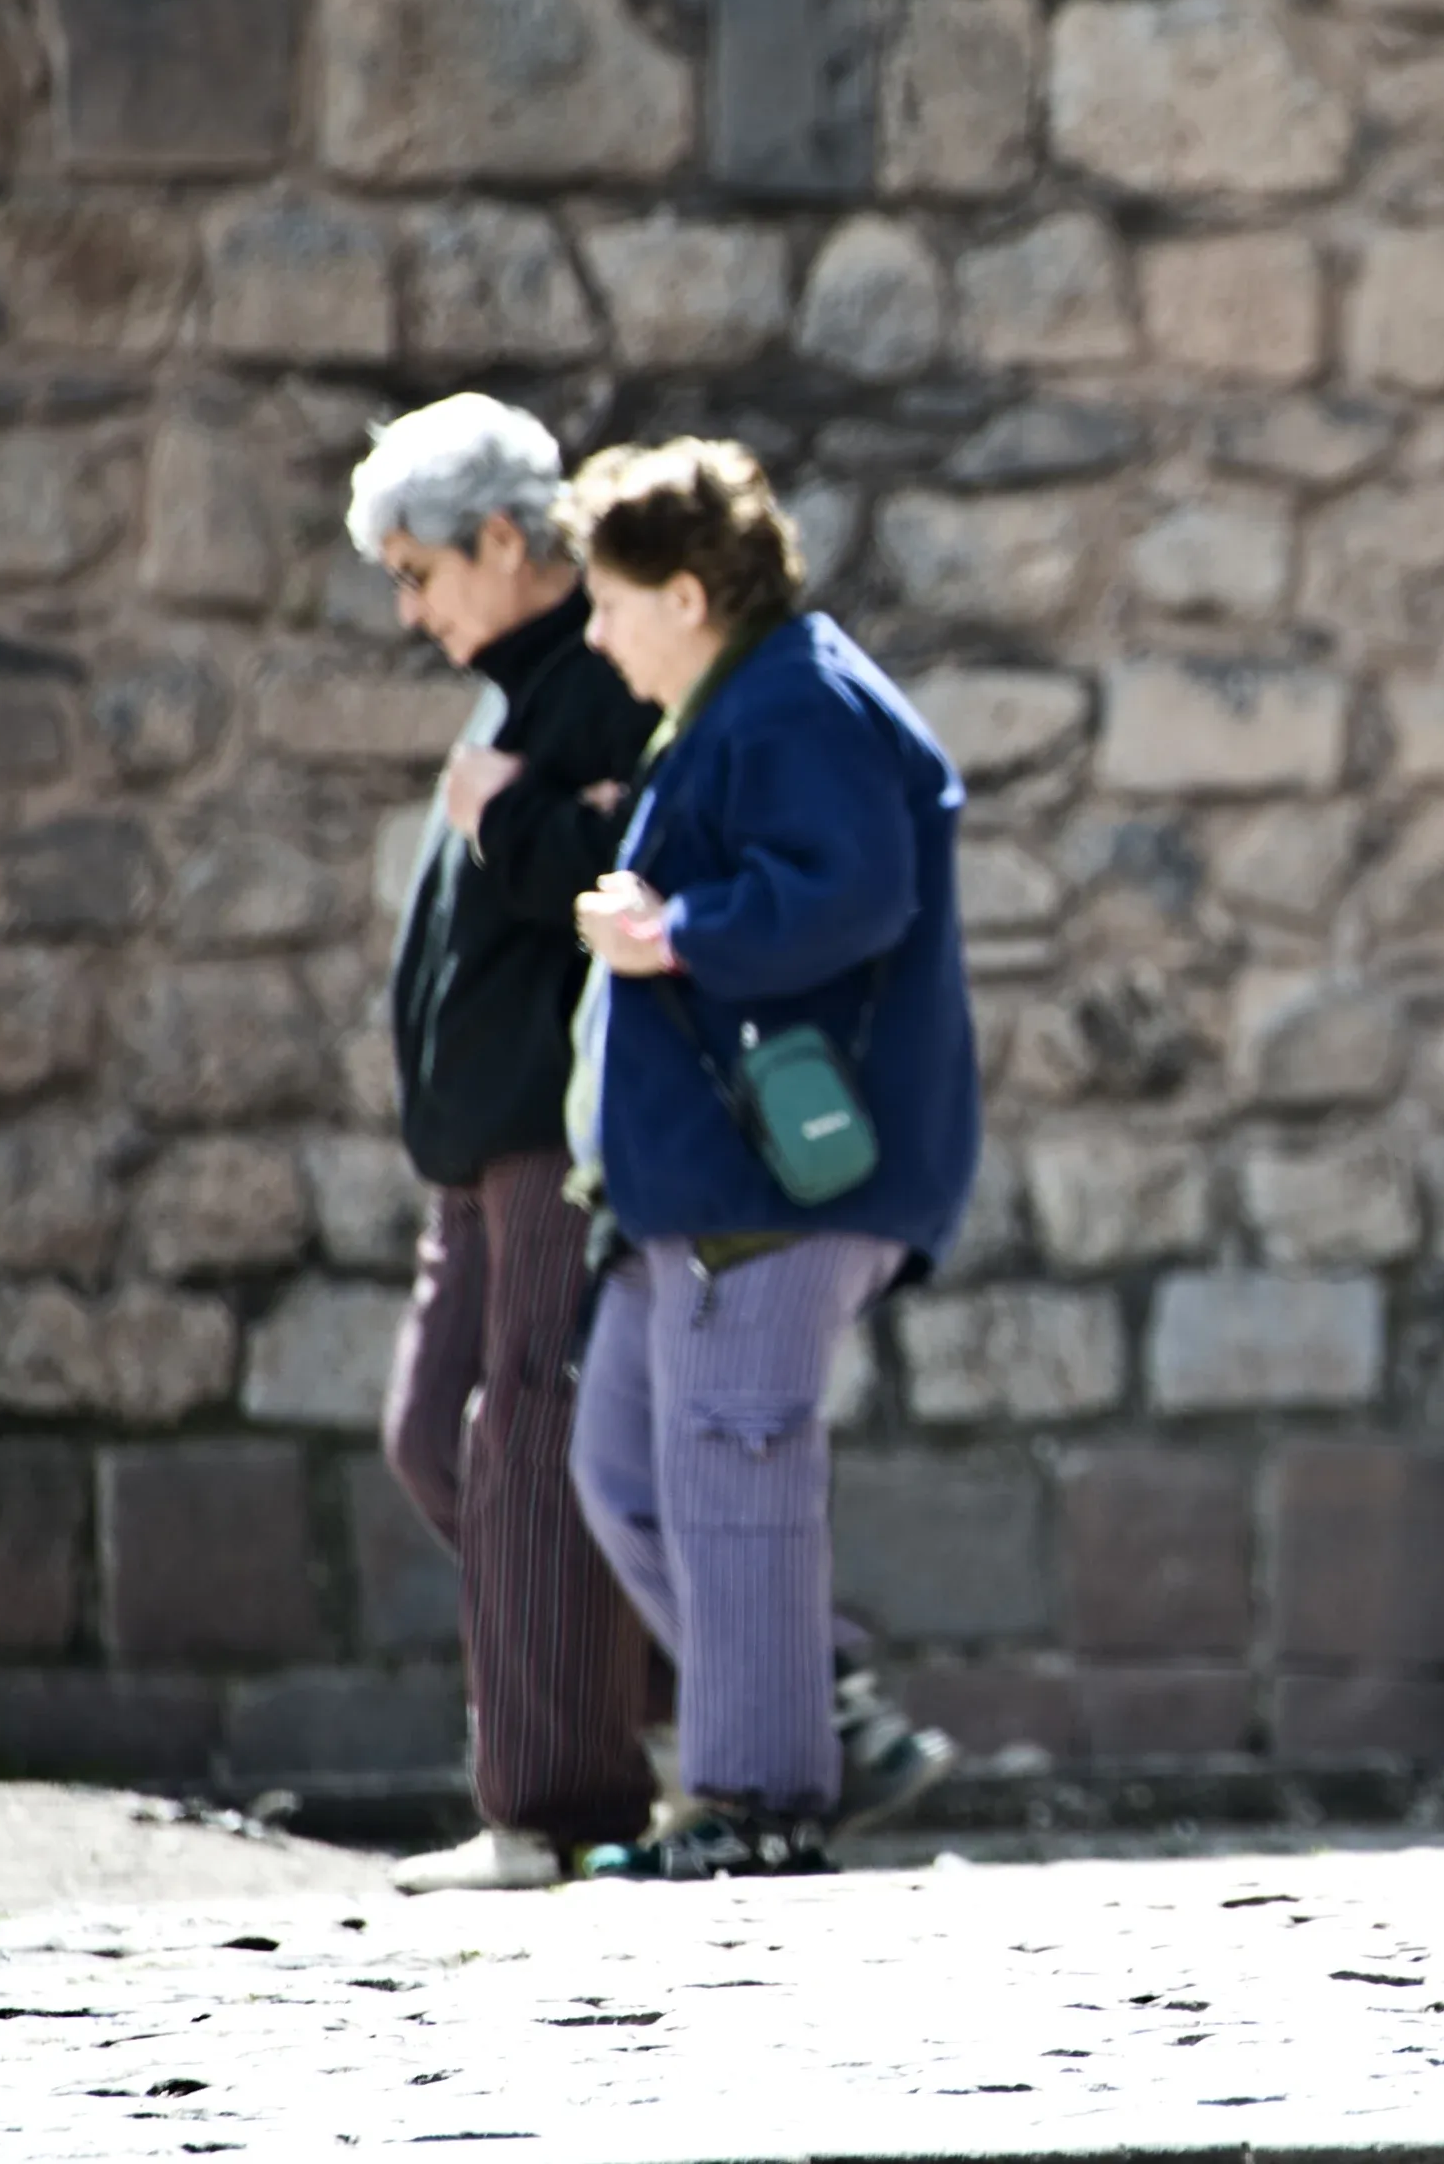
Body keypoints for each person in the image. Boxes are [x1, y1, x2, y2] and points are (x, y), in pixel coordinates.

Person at [558, 439, 979, 1880]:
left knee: (732, 1477)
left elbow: (850, 893)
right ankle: (819, 1725)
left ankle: (757, 1802)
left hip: (768, 1192)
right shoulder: (762, 694)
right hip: (706, 1194)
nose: (596, 634)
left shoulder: (796, 702)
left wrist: (673, 930)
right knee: (623, 1465)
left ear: (686, 594)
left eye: (610, 603)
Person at [350, 396, 662, 1893]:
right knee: (439, 1438)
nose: (412, 610)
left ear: (498, 539)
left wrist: (520, 814)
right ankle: (698, 1669)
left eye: (422, 572)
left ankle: (555, 1807)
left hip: (547, 1144)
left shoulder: (593, 679)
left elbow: (613, 882)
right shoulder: (510, 689)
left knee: (528, 1445)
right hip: (472, 1156)